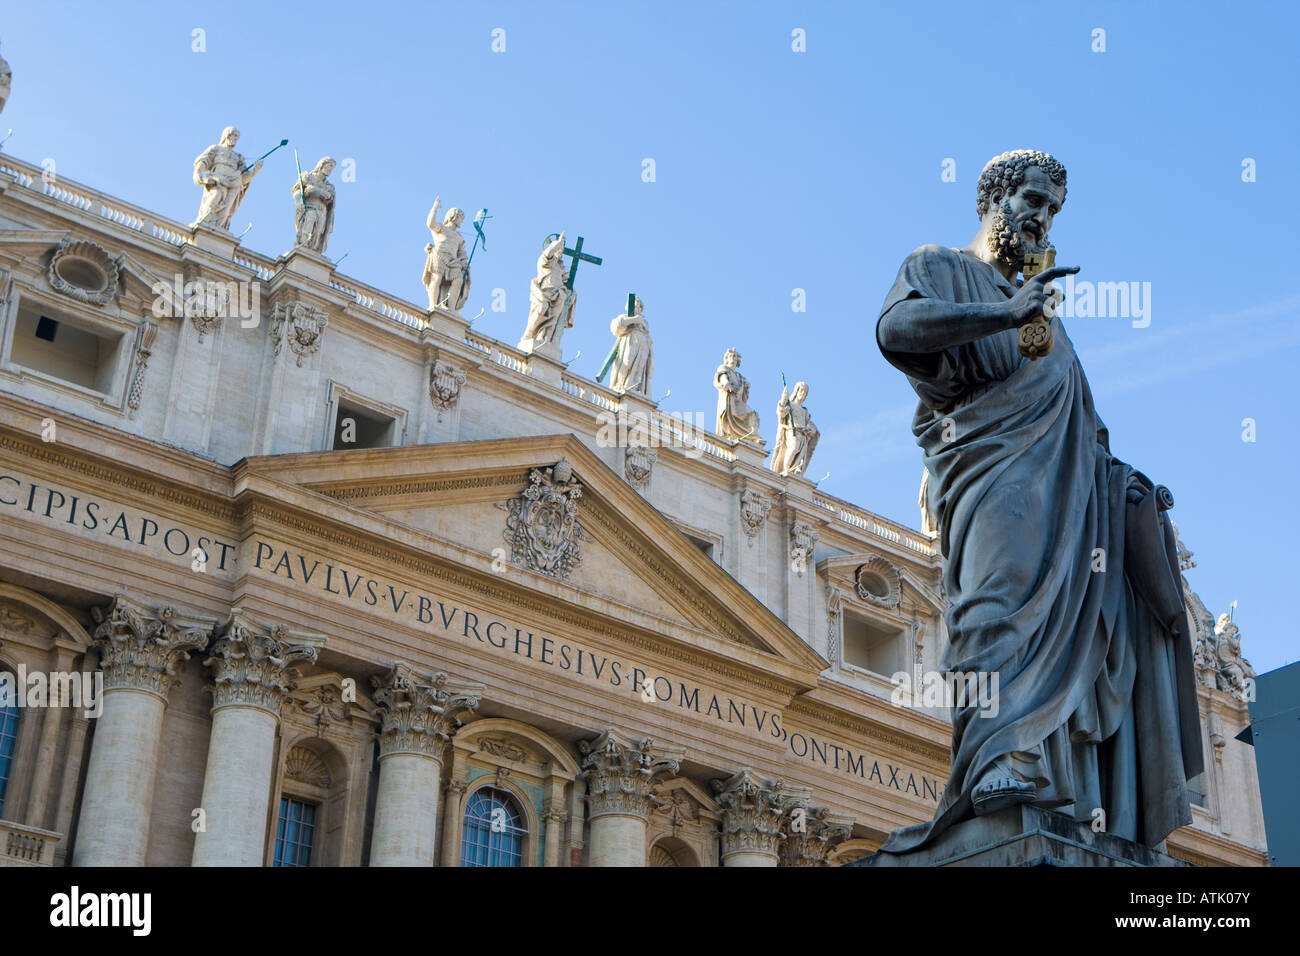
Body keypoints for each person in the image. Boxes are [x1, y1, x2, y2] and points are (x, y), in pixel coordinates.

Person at [874, 149, 1202, 853]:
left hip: (1071, 500)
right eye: (1030, 199)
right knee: (995, 605)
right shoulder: (939, 266)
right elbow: (894, 332)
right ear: (992, 197)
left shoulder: (1051, 321)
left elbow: (1084, 429)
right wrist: (1000, 314)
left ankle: (1049, 778)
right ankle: (995, 761)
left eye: (1052, 208)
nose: (1041, 217)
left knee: (1069, 627)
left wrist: (1128, 490)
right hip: (989, 474)